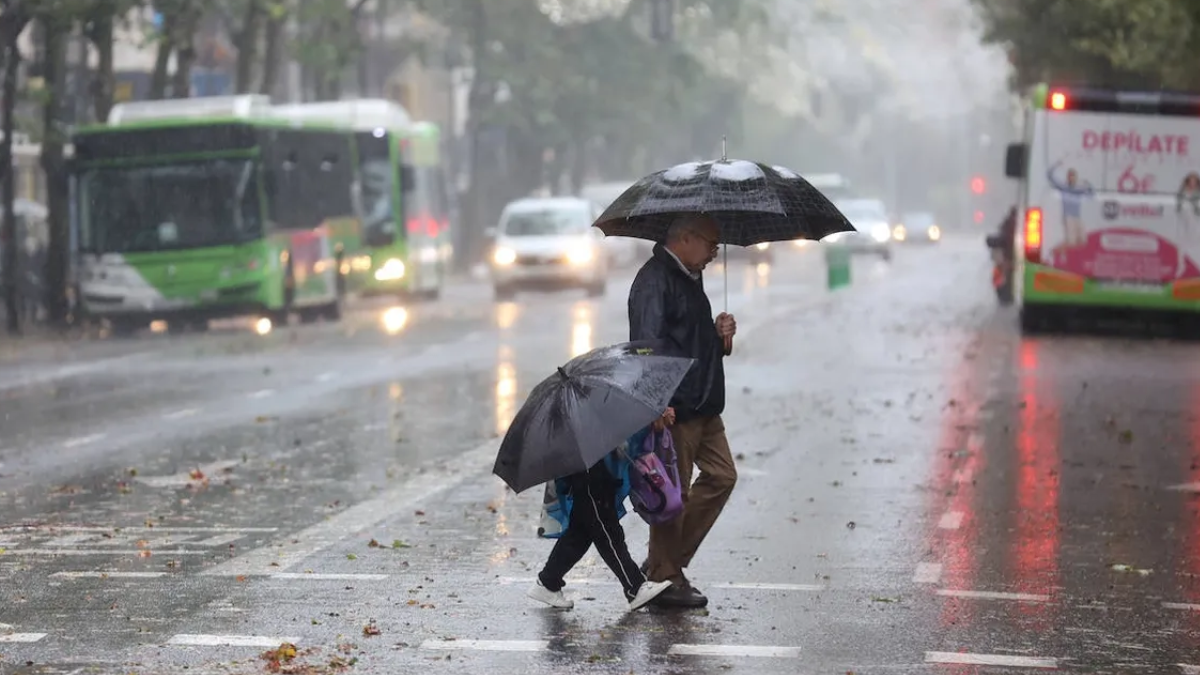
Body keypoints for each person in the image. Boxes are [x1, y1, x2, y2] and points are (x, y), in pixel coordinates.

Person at [627, 214, 737, 609]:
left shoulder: (690, 275)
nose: (714, 253)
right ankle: (663, 577)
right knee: (674, 494)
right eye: (711, 243)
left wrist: (719, 333)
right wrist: (656, 402)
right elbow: (646, 346)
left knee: (723, 476)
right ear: (685, 238)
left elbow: (688, 338)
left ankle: (663, 563)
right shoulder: (654, 281)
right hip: (676, 407)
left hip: (704, 402)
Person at [529, 410, 676, 612]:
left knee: (579, 534)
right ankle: (635, 587)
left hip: (594, 464)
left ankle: (548, 581)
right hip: (587, 470)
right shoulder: (576, 404)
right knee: (607, 531)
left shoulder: (585, 398)